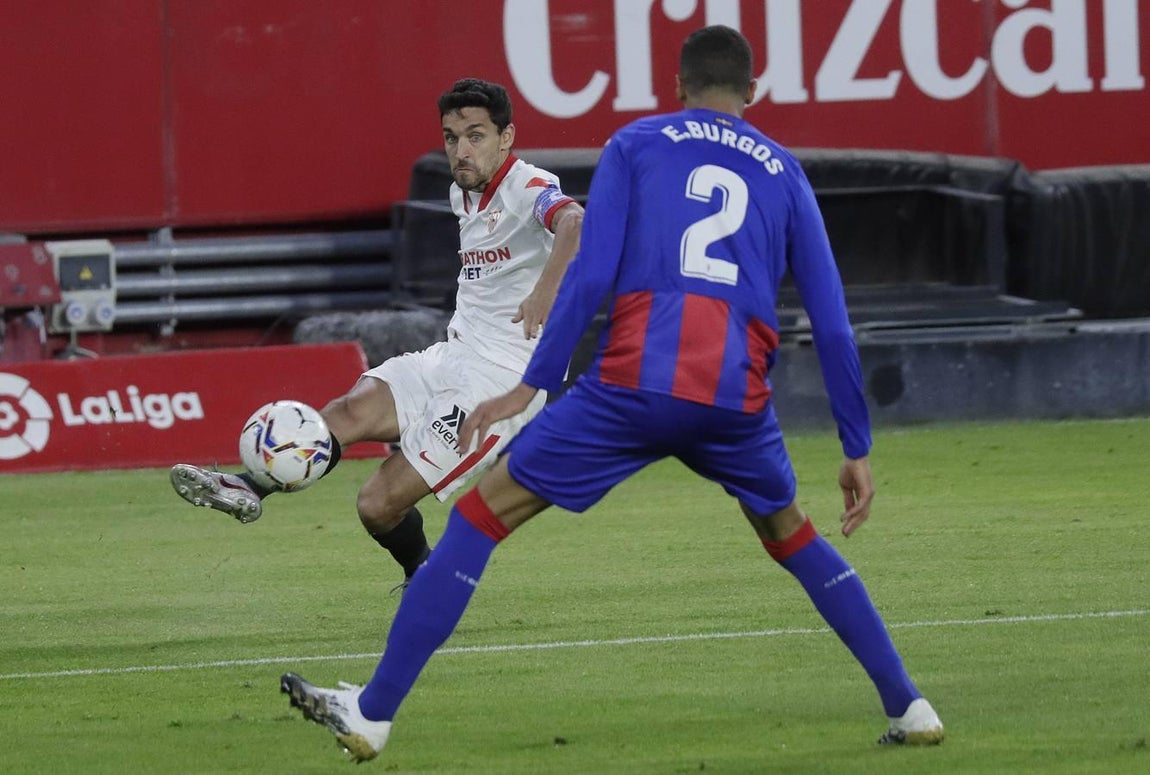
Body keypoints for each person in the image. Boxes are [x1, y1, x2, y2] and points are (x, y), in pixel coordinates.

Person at [277, 26, 944, 763]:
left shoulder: (635, 143)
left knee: (477, 518)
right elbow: (833, 320)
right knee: (792, 534)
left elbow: (590, 275)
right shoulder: (785, 171)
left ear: (679, 88)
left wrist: (530, 384)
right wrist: (856, 445)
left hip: (629, 386)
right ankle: (909, 703)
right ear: (751, 94)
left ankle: (372, 714)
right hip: (733, 398)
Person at [169, 78, 584, 590]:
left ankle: (424, 578)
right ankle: (250, 485)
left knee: (376, 506)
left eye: (476, 135)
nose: (461, 149)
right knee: (348, 410)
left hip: (500, 384)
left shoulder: (525, 185)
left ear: (506, 137)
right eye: (451, 137)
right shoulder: (463, 193)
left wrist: (545, 291)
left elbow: (574, 223)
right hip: (453, 357)